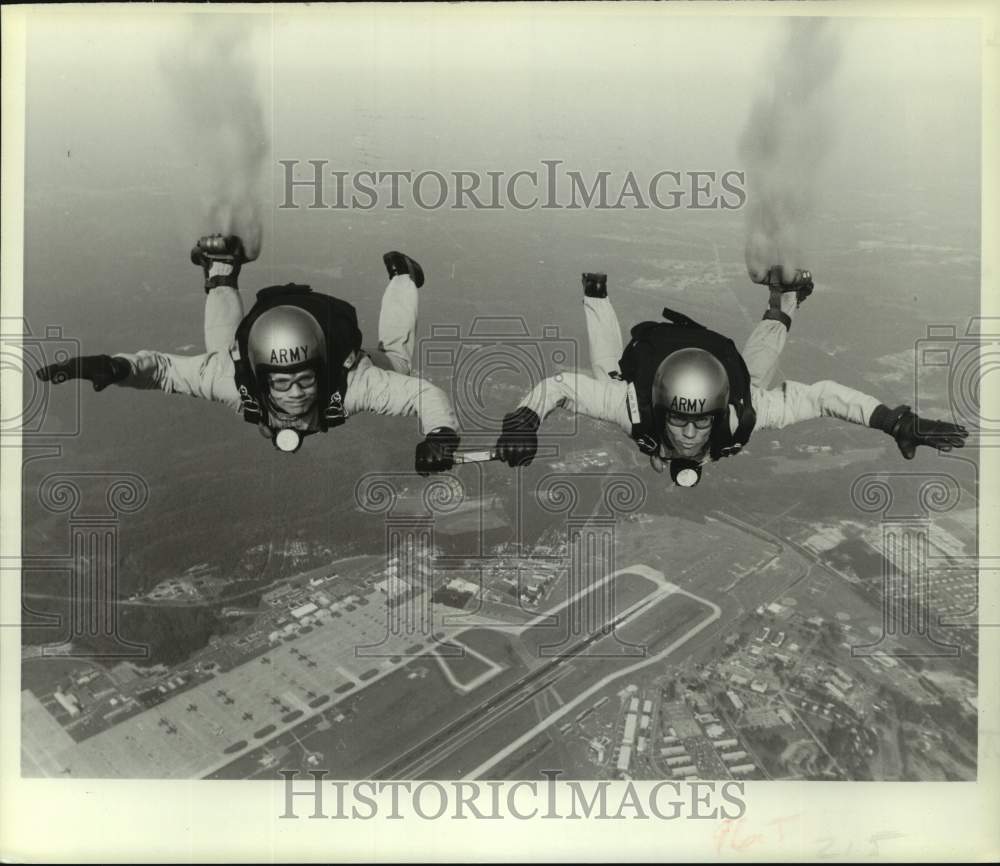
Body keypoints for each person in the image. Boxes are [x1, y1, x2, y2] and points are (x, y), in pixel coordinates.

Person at [494, 267, 968, 486]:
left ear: (715, 412)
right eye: (680, 420)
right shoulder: (637, 405)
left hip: (726, 377)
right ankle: (596, 293)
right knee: (612, 375)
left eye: (699, 422)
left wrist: (894, 421)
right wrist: (524, 418)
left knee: (752, 376)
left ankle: (785, 299)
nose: (689, 432)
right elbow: (560, 386)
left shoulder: (740, 414)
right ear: (662, 408)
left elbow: (822, 395)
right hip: (662, 362)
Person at [37, 235, 461, 473]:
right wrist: (116, 367)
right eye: (282, 382)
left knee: (397, 363)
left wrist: (441, 435)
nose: (295, 393)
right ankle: (221, 267)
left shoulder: (353, 383)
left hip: (318, 338)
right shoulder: (234, 377)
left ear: (322, 371)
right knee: (222, 354)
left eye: (304, 380)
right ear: (261, 379)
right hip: (253, 344)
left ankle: (405, 276)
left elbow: (424, 396)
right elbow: (162, 370)